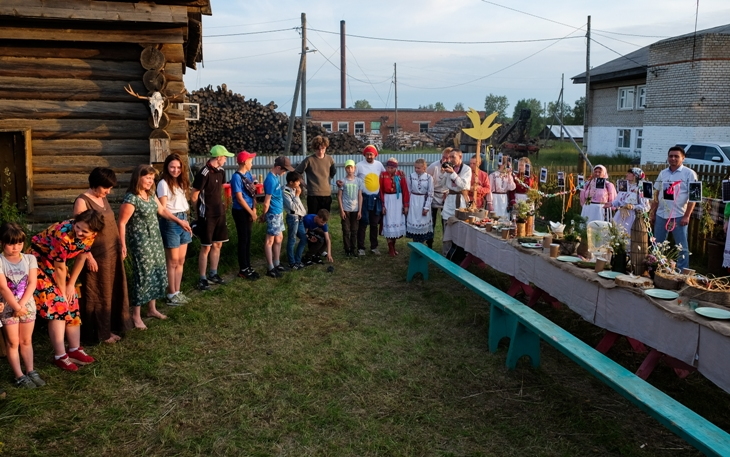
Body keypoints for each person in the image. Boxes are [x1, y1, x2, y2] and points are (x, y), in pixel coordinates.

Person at [28, 209, 104, 372]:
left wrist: (71, 285)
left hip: (55, 265)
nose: (80, 232)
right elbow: (60, 268)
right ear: (75, 222)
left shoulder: (91, 234)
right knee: (58, 304)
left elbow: (82, 256)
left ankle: (74, 349)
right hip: (38, 263)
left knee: (72, 300)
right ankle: (60, 356)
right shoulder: (62, 235)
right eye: (78, 227)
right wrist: (62, 293)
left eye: (85, 231)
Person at [118, 164, 192, 330]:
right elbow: (122, 223)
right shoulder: (131, 198)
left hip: (155, 239)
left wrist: (180, 221)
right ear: (139, 178)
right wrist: (122, 244)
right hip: (141, 242)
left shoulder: (150, 195)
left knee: (157, 271)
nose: (151, 181)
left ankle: (152, 309)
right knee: (143, 275)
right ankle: (136, 315)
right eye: (148, 178)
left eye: (152, 178)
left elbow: (163, 211)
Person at [73, 168, 131, 344]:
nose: (108, 191)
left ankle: (111, 327)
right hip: (96, 256)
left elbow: (110, 224)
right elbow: (79, 233)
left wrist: (121, 244)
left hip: (112, 253)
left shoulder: (102, 197)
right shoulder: (82, 201)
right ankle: (100, 334)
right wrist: (88, 257)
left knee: (111, 290)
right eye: (106, 187)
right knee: (97, 292)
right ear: (95, 184)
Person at [0, 223, 44, 388]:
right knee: (13, 342)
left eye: (19, 243)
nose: (16, 247)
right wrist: (16, 308)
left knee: (26, 340)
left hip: (28, 306)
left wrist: (22, 305)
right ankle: (19, 375)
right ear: (2, 242)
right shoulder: (0, 261)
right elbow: (3, 287)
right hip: (8, 308)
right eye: (11, 243)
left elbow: (32, 283)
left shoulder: (29, 259)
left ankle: (31, 370)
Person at [192, 145, 233, 290]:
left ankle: (213, 273)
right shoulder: (203, 172)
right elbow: (194, 195)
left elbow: (220, 189)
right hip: (206, 215)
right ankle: (202, 278)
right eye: (225, 157)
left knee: (218, 244)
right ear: (218, 157)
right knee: (206, 247)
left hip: (219, 213)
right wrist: (199, 213)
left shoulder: (221, 171)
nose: (226, 160)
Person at [650, 146, 698, 271]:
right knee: (657, 244)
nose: (673, 158)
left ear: (683, 158)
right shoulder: (663, 173)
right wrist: (652, 212)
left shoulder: (689, 174)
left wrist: (687, 216)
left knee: (681, 246)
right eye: (671, 156)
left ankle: (682, 271)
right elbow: (657, 193)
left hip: (679, 215)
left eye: (676, 156)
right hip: (661, 214)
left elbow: (694, 197)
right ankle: (657, 268)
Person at [156, 154, 193, 305]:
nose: (175, 170)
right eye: (172, 167)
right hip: (171, 222)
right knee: (172, 261)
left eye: (178, 167)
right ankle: (171, 294)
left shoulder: (181, 182)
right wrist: (179, 221)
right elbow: (162, 209)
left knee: (181, 260)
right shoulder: (163, 184)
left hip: (184, 219)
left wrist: (185, 221)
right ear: (167, 167)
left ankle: (177, 291)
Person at [230, 150, 261, 280]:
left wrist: (254, 209)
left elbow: (252, 192)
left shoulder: (248, 174)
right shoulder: (236, 177)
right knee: (243, 240)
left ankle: (248, 265)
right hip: (240, 211)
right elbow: (239, 197)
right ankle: (243, 269)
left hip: (249, 210)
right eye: (250, 161)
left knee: (248, 239)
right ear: (244, 162)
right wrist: (250, 212)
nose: (252, 163)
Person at [263, 156, 294, 278]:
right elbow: (266, 201)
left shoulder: (275, 177)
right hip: (273, 213)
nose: (285, 173)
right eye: (284, 170)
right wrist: (264, 215)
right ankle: (270, 267)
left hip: (278, 212)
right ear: (278, 167)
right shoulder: (270, 180)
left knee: (279, 237)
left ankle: (277, 263)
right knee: (269, 240)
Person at [356, 145, 386, 256]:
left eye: (371, 154)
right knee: (363, 223)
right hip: (364, 198)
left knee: (374, 223)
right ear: (364, 155)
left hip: (376, 198)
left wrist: (398, 174)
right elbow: (352, 178)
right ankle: (361, 248)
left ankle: (374, 247)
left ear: (375, 155)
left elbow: (385, 175)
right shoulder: (359, 166)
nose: (369, 156)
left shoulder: (379, 165)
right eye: (367, 154)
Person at [295, 135, 337, 214]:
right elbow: (296, 172)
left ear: (326, 147)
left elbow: (333, 172)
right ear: (314, 148)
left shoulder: (330, 159)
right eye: (318, 149)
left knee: (324, 220)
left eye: (323, 148)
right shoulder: (309, 160)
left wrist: (327, 180)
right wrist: (304, 184)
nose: (320, 151)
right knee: (313, 219)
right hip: (313, 195)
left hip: (326, 194)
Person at [605, 168, 650, 235]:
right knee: (615, 235)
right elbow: (619, 201)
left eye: (629, 173)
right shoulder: (624, 185)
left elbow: (645, 207)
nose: (626, 174)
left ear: (635, 176)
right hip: (621, 215)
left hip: (632, 217)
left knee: (628, 236)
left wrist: (633, 206)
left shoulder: (642, 188)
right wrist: (612, 203)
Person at [380, 157, 410, 257]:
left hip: (398, 201)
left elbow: (405, 190)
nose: (389, 169)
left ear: (395, 168)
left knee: (396, 223)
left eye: (391, 168)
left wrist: (405, 205)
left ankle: (393, 245)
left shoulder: (400, 175)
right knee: (388, 222)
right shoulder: (383, 175)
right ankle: (390, 248)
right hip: (388, 200)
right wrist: (383, 205)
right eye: (388, 167)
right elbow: (380, 190)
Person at [426, 147, 452, 248]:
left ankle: (446, 244)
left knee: (445, 221)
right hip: (433, 194)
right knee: (431, 221)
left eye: (448, 158)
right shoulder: (434, 166)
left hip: (446, 195)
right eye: (444, 157)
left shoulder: (452, 168)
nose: (445, 160)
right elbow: (427, 179)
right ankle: (429, 243)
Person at [337, 160, 363, 257]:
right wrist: (341, 209)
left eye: (351, 167)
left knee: (354, 230)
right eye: (348, 168)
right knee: (346, 230)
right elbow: (339, 196)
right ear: (345, 169)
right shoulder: (342, 181)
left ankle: (353, 249)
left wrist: (360, 210)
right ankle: (347, 249)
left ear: (354, 168)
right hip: (346, 210)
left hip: (355, 210)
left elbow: (360, 196)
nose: (350, 170)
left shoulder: (359, 181)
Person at [406, 158, 434, 244]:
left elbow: (430, 193)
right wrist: (408, 204)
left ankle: (422, 245)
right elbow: (408, 190)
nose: (416, 170)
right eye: (415, 168)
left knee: (423, 223)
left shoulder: (429, 178)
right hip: (414, 202)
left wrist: (426, 207)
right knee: (414, 222)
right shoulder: (411, 176)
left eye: (418, 168)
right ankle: (415, 245)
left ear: (424, 168)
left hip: (423, 201)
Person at [283, 171, 307, 269]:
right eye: (297, 181)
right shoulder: (285, 191)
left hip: (300, 218)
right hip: (293, 218)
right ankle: (291, 262)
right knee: (292, 240)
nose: (299, 183)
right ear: (291, 182)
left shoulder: (293, 189)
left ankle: (298, 260)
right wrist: (297, 195)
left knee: (304, 238)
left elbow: (299, 205)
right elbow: (292, 207)